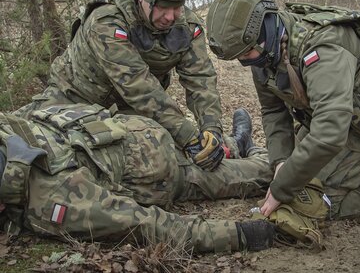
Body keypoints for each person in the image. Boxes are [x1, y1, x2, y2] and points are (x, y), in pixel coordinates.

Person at [15, 0, 225, 171]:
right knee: (28, 145)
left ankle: (236, 146)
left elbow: (201, 79)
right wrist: (188, 135)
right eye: (163, 6)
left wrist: (211, 129)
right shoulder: (106, 20)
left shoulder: (187, 27)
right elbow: (138, 85)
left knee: (161, 155)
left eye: (178, 6)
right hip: (70, 100)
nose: (171, 17)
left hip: (126, 111)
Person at [206, 0, 360, 220]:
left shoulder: (324, 46)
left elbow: (330, 131)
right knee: (292, 179)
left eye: (246, 54)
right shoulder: (265, 55)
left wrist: (282, 187)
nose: (245, 62)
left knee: (322, 203)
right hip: (344, 125)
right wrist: (282, 162)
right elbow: (273, 110)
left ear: (266, 31)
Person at [0, 104, 274, 253]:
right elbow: (144, 223)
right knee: (254, 170)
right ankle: (241, 144)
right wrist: (242, 233)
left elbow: (146, 224)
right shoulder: (11, 126)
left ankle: (241, 144)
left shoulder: (52, 198)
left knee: (269, 170)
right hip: (146, 142)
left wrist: (242, 236)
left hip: (160, 165)